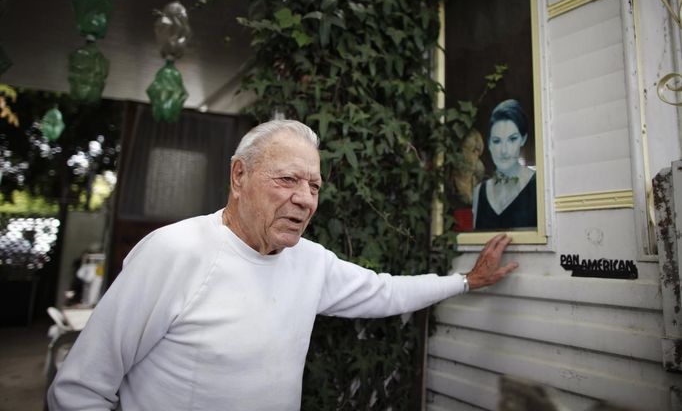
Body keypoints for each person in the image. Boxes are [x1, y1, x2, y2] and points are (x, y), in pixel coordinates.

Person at [48, 119, 518, 411]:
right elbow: (79, 390)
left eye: (313, 186)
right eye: (288, 179)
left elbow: (385, 292)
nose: (304, 199)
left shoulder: (309, 263)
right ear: (239, 176)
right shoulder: (174, 252)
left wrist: (465, 281)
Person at [473, 99, 537, 230]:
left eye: (512, 139)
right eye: (496, 141)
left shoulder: (538, 185)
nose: (504, 150)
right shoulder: (480, 191)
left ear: (523, 139)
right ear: (489, 144)